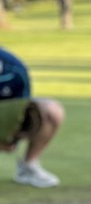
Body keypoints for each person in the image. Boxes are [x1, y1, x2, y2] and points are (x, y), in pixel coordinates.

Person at [0, 46, 64, 188]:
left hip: (5, 121)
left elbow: (22, 109)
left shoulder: (15, 68)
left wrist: (11, 140)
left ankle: (28, 167)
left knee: (51, 111)